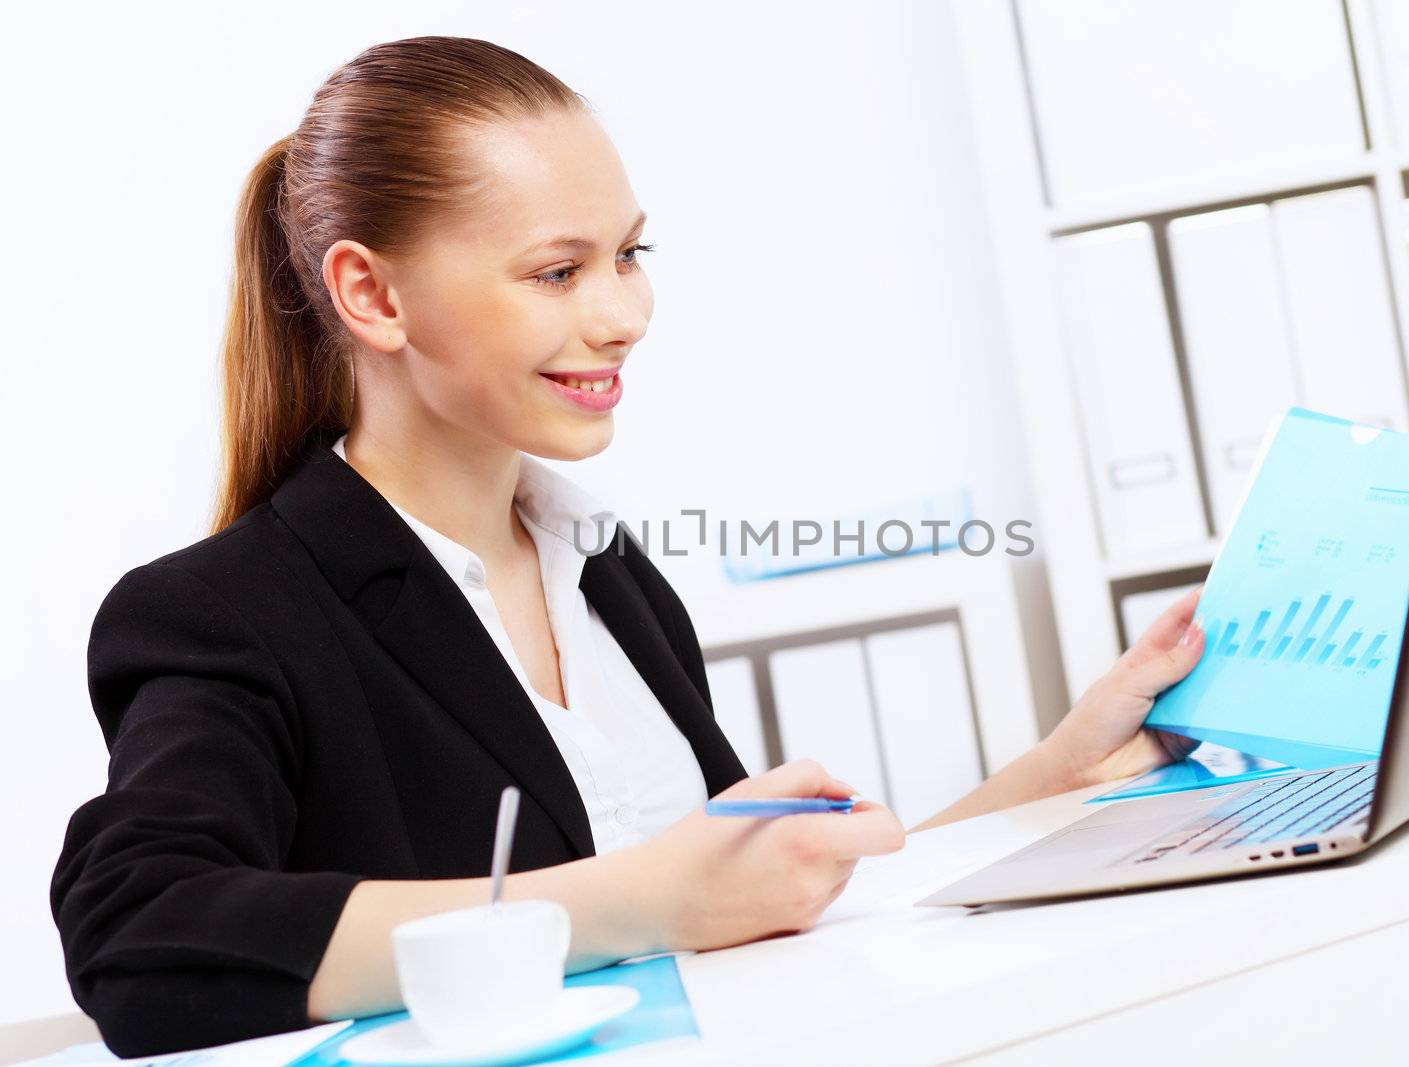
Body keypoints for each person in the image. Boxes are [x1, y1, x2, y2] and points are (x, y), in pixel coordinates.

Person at [50, 36, 1205, 1056]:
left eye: (630, 255)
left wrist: (1057, 773)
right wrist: (628, 904)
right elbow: (141, 941)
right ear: (372, 294)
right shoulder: (226, 610)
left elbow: (735, 902)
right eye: (559, 270)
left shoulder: (606, 574)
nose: (623, 314)